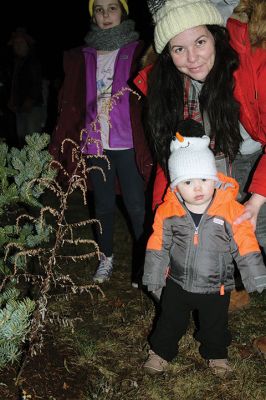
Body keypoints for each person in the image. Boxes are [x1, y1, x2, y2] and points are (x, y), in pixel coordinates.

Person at [133, 0, 266, 308]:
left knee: (259, 224)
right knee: (202, 213)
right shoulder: (170, 86)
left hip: (259, 153)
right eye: (178, 49)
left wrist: (258, 197)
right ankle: (223, 285)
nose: (192, 58)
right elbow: (174, 166)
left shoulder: (253, 60)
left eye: (200, 42)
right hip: (221, 156)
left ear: (216, 36)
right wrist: (163, 221)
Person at [142, 119, 266, 376]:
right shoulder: (169, 212)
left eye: (203, 179)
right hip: (178, 282)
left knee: (215, 325)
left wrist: (255, 273)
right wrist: (154, 276)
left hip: (217, 285)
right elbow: (157, 245)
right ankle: (161, 351)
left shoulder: (230, 209)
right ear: (176, 186)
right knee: (169, 321)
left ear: (214, 178)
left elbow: (244, 240)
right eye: (188, 183)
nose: (197, 188)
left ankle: (217, 355)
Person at [49, 0, 153, 286]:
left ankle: (145, 262)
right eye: (99, 9)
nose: (105, 15)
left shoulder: (140, 52)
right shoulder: (83, 56)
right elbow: (70, 100)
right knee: (103, 205)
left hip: (128, 143)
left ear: (124, 12)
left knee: (136, 206)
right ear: (92, 14)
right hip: (95, 144)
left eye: (112, 8)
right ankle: (106, 256)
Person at [7, 28, 45, 148]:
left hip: (32, 108)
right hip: (20, 108)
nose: (17, 46)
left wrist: (30, 100)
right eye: (15, 44)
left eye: (20, 43)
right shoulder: (17, 63)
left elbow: (36, 83)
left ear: (27, 45)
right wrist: (12, 100)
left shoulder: (33, 61)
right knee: (22, 141)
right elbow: (14, 85)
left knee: (33, 142)